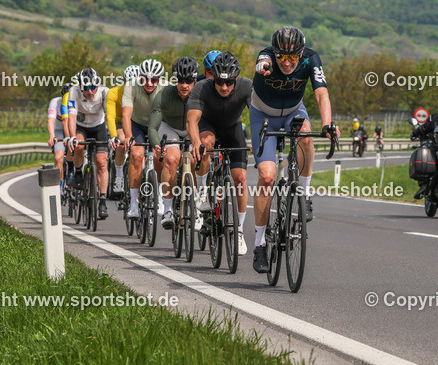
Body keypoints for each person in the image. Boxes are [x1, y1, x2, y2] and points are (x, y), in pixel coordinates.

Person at [248, 26, 336, 274]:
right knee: (266, 176)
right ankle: (260, 244)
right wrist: (263, 67)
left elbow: (321, 94)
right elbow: (262, 63)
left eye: (293, 57)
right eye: (281, 57)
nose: (287, 63)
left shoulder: (311, 58)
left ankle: (305, 195)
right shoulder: (266, 56)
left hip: (294, 113)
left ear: (301, 53)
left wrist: (327, 124)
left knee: (307, 139)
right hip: (262, 115)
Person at [185, 51, 252, 251]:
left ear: (236, 78)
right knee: (206, 144)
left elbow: (257, 116)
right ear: (212, 77)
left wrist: (258, 141)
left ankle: (238, 231)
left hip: (233, 128)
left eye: (229, 82)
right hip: (209, 125)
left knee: (240, 178)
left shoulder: (247, 86)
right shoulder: (201, 87)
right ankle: (203, 191)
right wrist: (196, 143)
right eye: (220, 82)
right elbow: (192, 120)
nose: (224, 87)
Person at [138, 56, 198, 223]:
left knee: (196, 159)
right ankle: (168, 209)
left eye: (189, 81)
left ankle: (198, 202)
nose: (184, 85)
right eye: (180, 80)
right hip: (170, 127)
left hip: (192, 128)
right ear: (174, 79)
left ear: (195, 80)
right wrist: (157, 145)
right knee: (171, 160)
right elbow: (152, 127)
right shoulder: (164, 94)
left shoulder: (201, 93)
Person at [65, 67, 112, 219]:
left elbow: (109, 114)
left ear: (97, 85)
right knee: (78, 145)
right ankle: (78, 172)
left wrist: (113, 135)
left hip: (98, 126)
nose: (90, 92)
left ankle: (103, 201)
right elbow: (71, 116)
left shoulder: (105, 92)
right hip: (81, 127)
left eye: (93, 88)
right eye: (86, 88)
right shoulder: (73, 91)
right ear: (80, 87)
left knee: (102, 162)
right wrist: (72, 136)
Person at [123, 58, 166, 215]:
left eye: (153, 79)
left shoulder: (165, 87)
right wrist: (128, 135)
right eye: (145, 79)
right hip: (137, 124)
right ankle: (133, 204)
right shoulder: (131, 85)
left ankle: (160, 197)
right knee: (136, 155)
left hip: (158, 124)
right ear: (140, 77)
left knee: (160, 155)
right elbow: (126, 114)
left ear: (159, 79)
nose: (149, 83)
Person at [106, 64, 140, 199]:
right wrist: (113, 136)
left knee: (138, 148)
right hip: (120, 121)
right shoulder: (114, 93)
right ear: (124, 81)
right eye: (129, 82)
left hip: (136, 122)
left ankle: (139, 178)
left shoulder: (143, 92)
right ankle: (119, 175)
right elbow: (111, 117)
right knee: (121, 141)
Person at [46, 83, 71, 187]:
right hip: (59, 131)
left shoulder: (78, 102)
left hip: (72, 130)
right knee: (58, 158)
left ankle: (73, 172)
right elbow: (51, 121)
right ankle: (59, 187)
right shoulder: (55, 102)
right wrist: (52, 136)